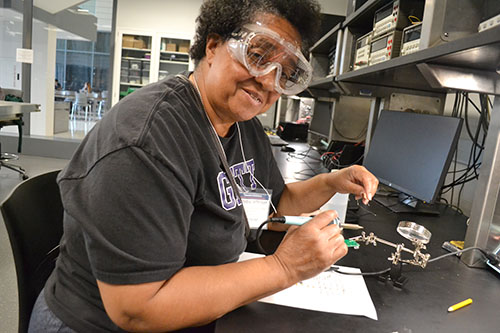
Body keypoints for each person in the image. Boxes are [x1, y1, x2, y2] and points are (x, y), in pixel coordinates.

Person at [29, 0, 378, 332]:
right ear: (212, 46)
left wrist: (332, 182)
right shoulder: (149, 139)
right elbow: (136, 307)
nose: (269, 82)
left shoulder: (243, 126)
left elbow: (276, 204)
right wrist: (284, 267)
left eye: (285, 74)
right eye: (257, 57)